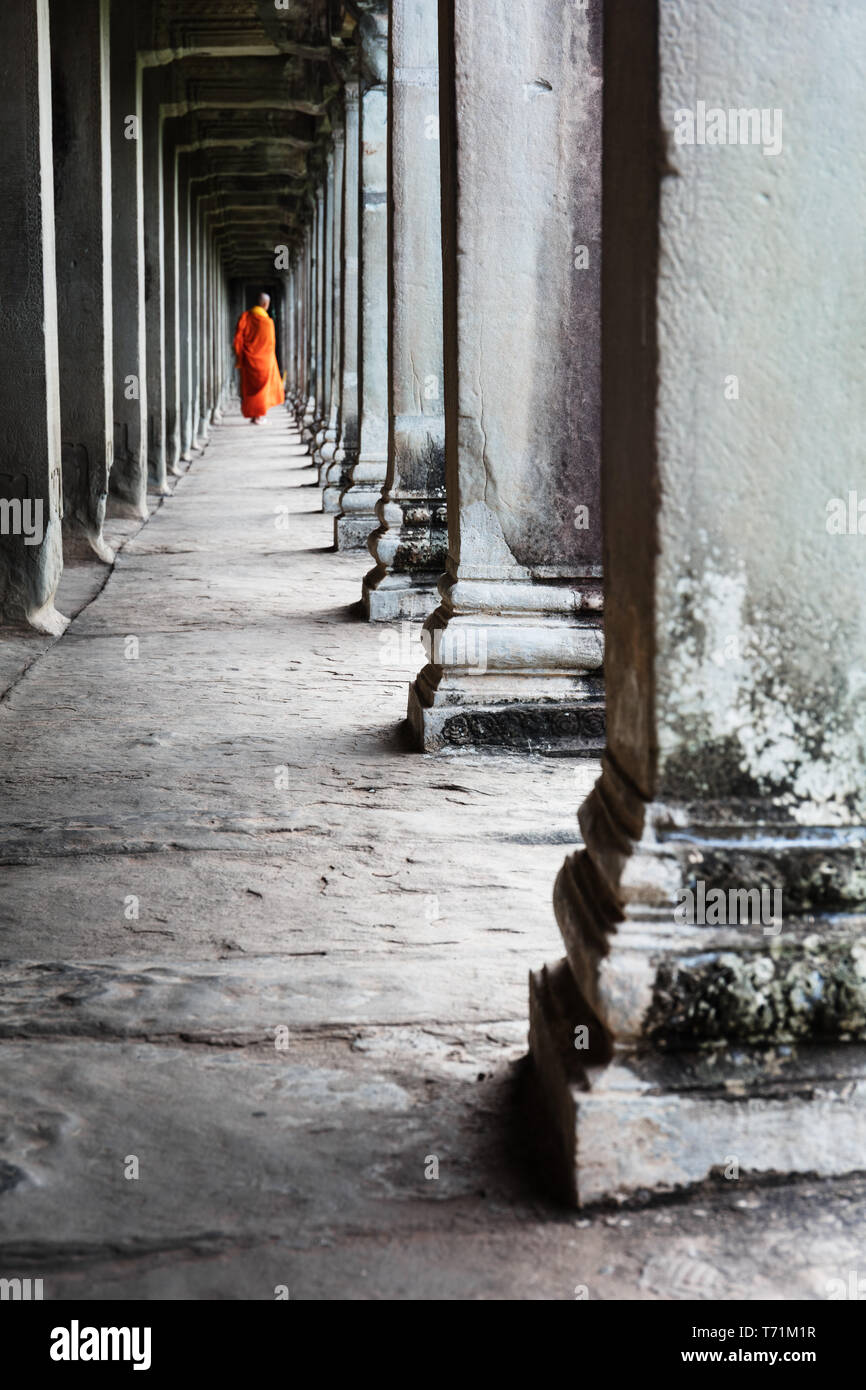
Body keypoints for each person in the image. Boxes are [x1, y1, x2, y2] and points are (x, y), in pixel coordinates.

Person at [233, 293, 285, 424]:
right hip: (264, 361)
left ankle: (254, 415)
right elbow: (270, 344)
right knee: (262, 389)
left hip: (249, 359)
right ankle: (259, 416)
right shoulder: (267, 323)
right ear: (265, 305)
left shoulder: (245, 317)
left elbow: (238, 339)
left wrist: (240, 355)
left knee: (250, 388)